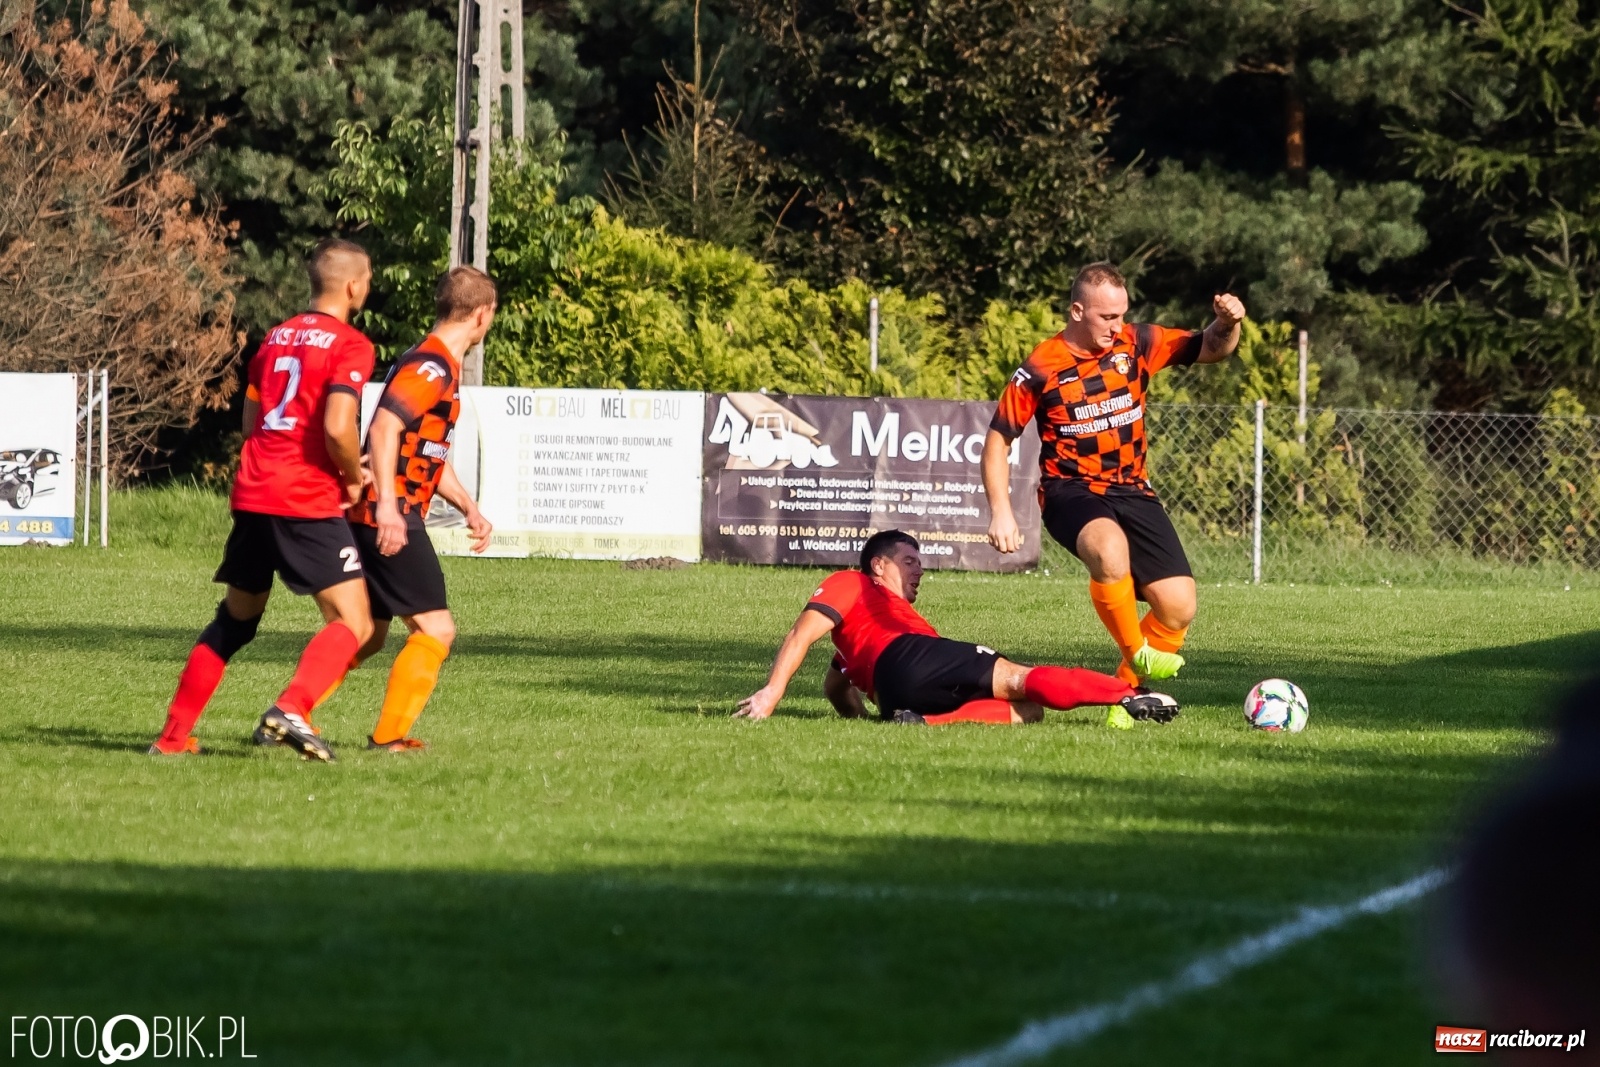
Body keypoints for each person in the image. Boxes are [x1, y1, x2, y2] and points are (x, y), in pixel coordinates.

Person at [149, 238, 377, 761]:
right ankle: (293, 707)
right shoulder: (350, 345)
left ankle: (172, 739)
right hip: (304, 497)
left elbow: (251, 417)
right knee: (355, 623)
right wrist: (351, 477)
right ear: (353, 286)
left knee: (235, 621)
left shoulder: (274, 338)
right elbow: (339, 425)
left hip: (254, 491)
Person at [982, 262, 1245, 704]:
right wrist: (1001, 511)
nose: (1117, 325)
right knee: (1109, 549)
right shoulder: (1041, 366)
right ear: (1077, 311)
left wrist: (1226, 323)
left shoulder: (1137, 342)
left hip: (1132, 488)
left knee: (1179, 606)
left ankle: (1127, 697)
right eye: (1107, 317)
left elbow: (1211, 348)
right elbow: (997, 440)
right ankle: (1137, 654)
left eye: (1122, 314)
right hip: (1070, 491)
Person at [318, 266, 497, 751]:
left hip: (376, 509)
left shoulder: (434, 363)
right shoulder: (432, 367)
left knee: (365, 634)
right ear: (483, 315)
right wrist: (393, 511)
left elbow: (426, 454)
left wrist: (468, 507)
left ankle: (292, 713)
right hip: (387, 514)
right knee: (436, 627)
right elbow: (382, 431)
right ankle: (389, 737)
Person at [735, 530, 1179, 726]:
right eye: (909, 561)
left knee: (1029, 710)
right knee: (1020, 678)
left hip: (893, 693)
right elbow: (801, 633)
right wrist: (772, 692)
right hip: (910, 654)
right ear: (878, 565)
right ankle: (1125, 695)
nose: (919, 569)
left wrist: (865, 718)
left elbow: (836, 688)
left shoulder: (855, 638)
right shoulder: (851, 582)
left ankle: (923, 722)